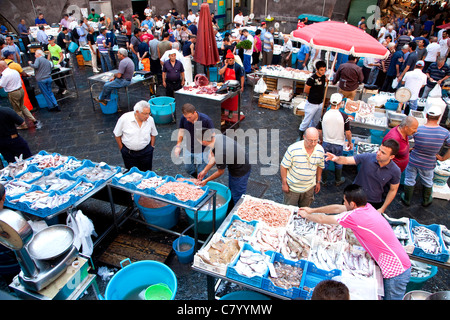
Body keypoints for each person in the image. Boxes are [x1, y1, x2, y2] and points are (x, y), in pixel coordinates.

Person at [298, 184, 411, 300]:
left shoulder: (355, 216)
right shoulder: (366, 207)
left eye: (345, 201)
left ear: (352, 204)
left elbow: (323, 219)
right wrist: (312, 210)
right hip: (397, 262)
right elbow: (337, 208)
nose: (343, 204)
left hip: (396, 270)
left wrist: (306, 215)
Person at [325, 139, 401, 212]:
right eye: (379, 150)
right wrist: (337, 158)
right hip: (354, 196)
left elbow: (393, 190)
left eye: (383, 153)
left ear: (391, 157)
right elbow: (347, 160)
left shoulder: (395, 170)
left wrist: (382, 208)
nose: (378, 153)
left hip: (373, 202)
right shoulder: (368, 157)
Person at [401, 106, 450, 207]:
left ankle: (407, 199)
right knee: (428, 181)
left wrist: (408, 150)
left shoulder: (418, 129)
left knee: (409, 179)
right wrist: (443, 158)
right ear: (439, 117)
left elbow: (404, 137)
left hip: (414, 159)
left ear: (427, 116)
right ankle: (426, 200)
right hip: (429, 162)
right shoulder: (445, 132)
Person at [197, 130, 251, 206]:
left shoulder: (220, 152)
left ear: (204, 142)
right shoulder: (217, 137)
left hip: (240, 171)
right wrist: (204, 171)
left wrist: (206, 180)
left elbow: (220, 172)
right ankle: (232, 205)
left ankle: (237, 213)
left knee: (238, 196)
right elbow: (213, 157)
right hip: (236, 164)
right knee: (232, 190)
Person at [280, 127, 324, 208]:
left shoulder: (320, 150)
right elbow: (283, 166)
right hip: (292, 188)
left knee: (305, 210)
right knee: (288, 210)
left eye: (316, 140)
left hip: (309, 188)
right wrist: (284, 183)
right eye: (311, 140)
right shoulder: (293, 149)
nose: (314, 143)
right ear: (304, 137)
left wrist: (318, 181)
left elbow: (320, 166)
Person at [317, 93, 352, 186]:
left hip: (326, 143)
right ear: (340, 103)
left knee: (325, 162)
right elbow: (348, 132)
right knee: (338, 161)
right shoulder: (344, 116)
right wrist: (349, 142)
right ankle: (338, 180)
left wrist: (321, 140)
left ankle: (323, 181)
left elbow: (319, 130)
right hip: (338, 144)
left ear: (330, 102)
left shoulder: (324, 115)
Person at [113, 101, 158, 171]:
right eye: (145, 114)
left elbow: (153, 134)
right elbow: (117, 134)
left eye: (149, 113)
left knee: (147, 173)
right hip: (129, 153)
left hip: (146, 152)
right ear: (137, 112)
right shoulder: (124, 119)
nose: (147, 116)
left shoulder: (150, 120)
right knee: (132, 174)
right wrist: (122, 149)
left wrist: (151, 147)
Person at [174, 104, 214, 178]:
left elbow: (213, 136)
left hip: (203, 150)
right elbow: (181, 131)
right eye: (186, 118)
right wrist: (178, 146)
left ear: (194, 113)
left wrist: (211, 151)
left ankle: (203, 184)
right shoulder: (184, 118)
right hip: (189, 148)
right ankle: (197, 178)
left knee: (202, 171)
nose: (188, 119)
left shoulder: (206, 120)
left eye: (189, 117)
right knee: (188, 168)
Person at [0, 61, 41, 130]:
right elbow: (21, 81)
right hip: (20, 90)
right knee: (23, 107)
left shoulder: (5, 75)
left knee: (17, 109)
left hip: (13, 92)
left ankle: (23, 124)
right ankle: (33, 119)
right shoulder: (14, 71)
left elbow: (1, 85)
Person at [298, 60, 328, 139]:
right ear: (317, 69)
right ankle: (300, 134)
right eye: (321, 70)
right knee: (307, 120)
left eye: (324, 69)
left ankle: (311, 134)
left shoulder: (324, 77)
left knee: (316, 120)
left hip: (320, 103)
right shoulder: (311, 79)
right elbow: (306, 90)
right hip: (312, 103)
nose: (323, 71)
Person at [218, 50, 245, 119]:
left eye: (231, 59)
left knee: (232, 100)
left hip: (234, 86)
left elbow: (242, 76)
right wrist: (226, 65)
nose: (230, 60)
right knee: (224, 99)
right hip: (226, 85)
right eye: (228, 59)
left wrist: (242, 86)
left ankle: (230, 112)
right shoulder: (225, 65)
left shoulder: (238, 66)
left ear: (233, 59)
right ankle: (222, 110)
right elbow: (220, 73)